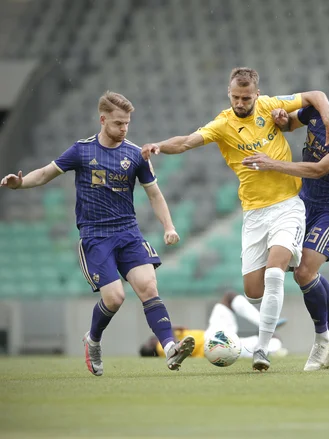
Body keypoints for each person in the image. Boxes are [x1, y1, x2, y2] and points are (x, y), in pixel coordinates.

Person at [141, 67, 329, 372]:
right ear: (230, 94)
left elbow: (314, 96)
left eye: (246, 97)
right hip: (254, 213)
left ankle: (262, 350)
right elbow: (187, 141)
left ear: (256, 93)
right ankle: (285, 277)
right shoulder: (222, 124)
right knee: (254, 290)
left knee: (275, 272)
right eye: (236, 97)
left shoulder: (269, 105)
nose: (241, 102)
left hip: (288, 205)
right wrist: (160, 146)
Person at [0, 91, 194, 376]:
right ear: (102, 120)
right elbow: (44, 173)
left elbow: (154, 194)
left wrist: (169, 227)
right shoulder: (82, 151)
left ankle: (170, 348)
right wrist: (20, 183)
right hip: (95, 235)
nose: (124, 129)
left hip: (128, 231)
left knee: (149, 286)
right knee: (115, 297)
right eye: (118, 123)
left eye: (127, 123)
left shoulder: (135, 154)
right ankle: (92, 340)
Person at [242, 79, 329, 370]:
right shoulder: (320, 112)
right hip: (300, 205)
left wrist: (272, 164)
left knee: (303, 272)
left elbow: (318, 170)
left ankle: (322, 338)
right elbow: (288, 124)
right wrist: (281, 119)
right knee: (301, 274)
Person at [139, 291, 288, 359]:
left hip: (213, 343)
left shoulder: (168, 337)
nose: (151, 339)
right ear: (152, 347)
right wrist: (171, 329)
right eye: (149, 342)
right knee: (228, 298)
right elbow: (173, 348)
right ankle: (268, 327)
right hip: (211, 339)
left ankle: (274, 347)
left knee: (269, 341)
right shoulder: (162, 347)